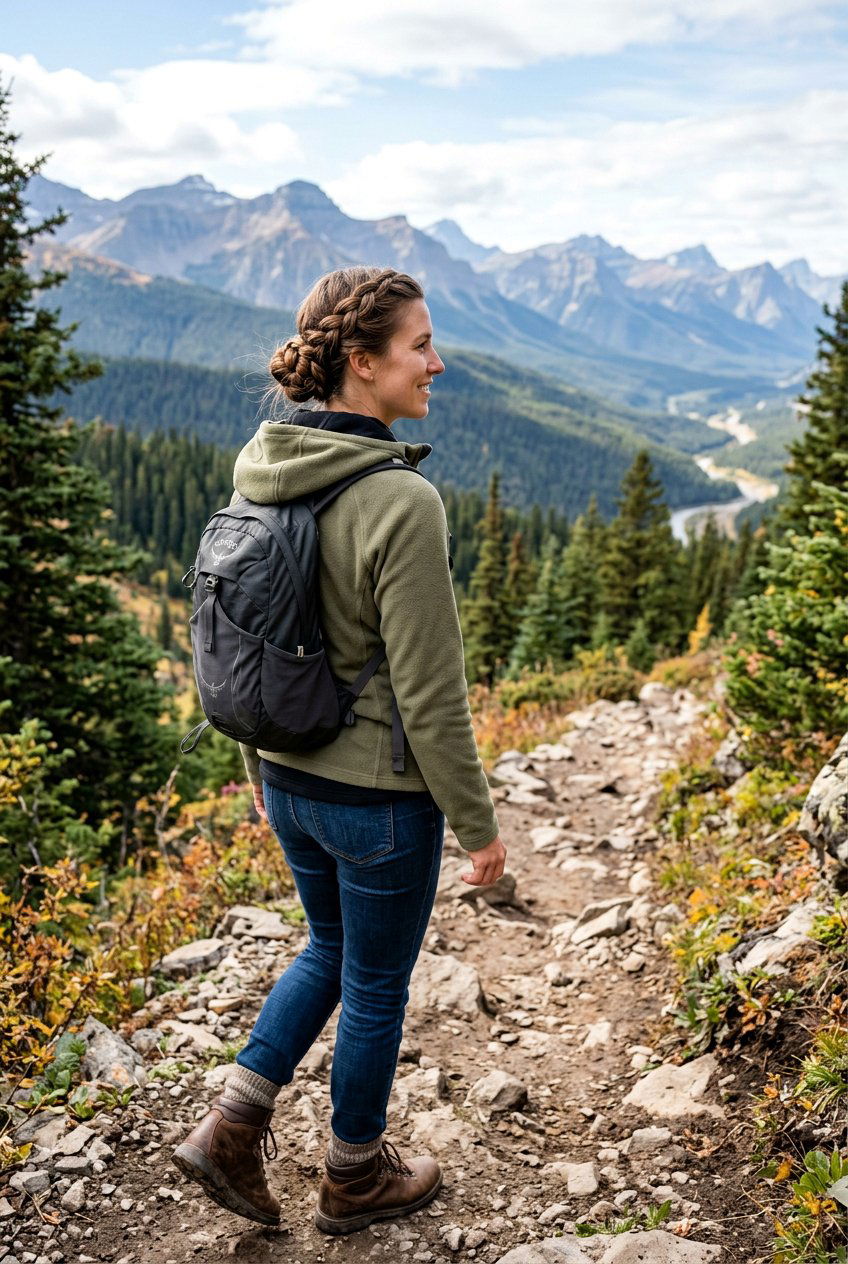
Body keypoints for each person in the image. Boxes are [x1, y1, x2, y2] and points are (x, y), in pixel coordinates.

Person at [173, 266, 506, 1236]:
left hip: (287, 780)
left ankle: (229, 1126)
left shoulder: (262, 467)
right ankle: (354, 1173)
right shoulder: (402, 504)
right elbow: (432, 697)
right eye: (419, 347)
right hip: (379, 806)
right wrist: (480, 832)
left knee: (326, 946)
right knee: (371, 981)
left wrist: (262, 778)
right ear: (361, 364)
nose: (436, 364)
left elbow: (242, 640)